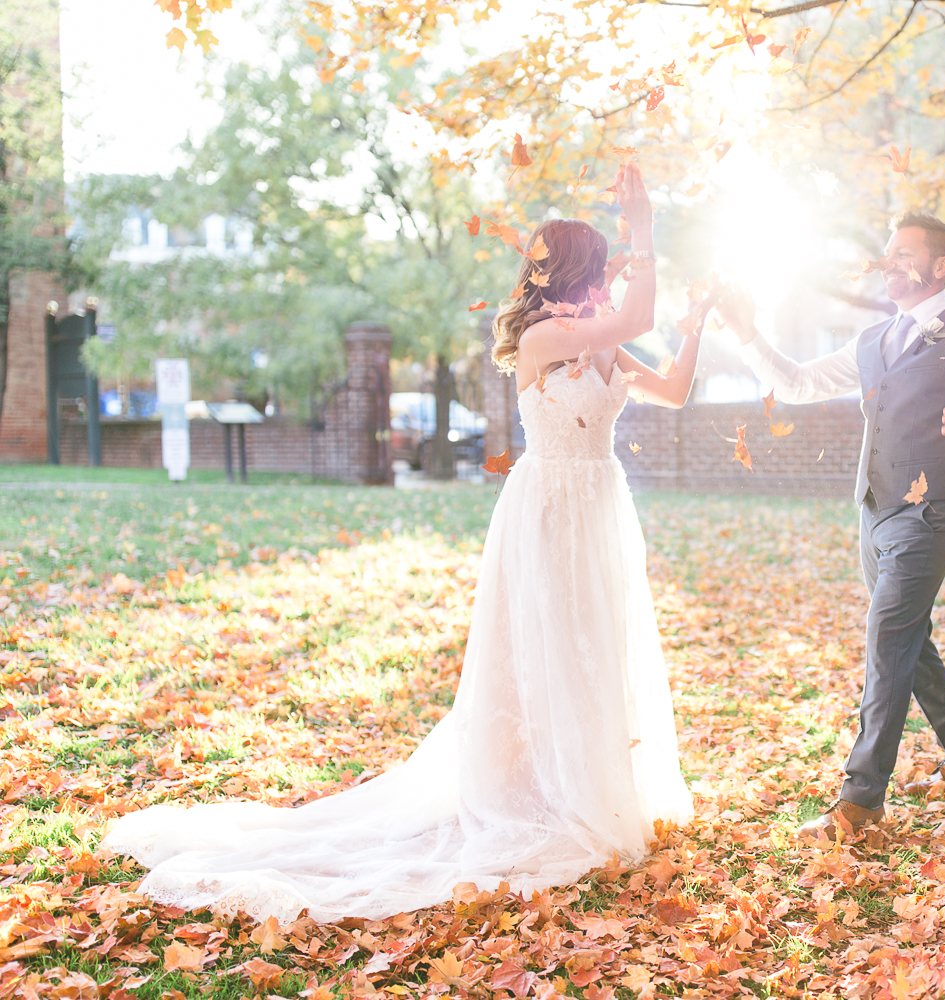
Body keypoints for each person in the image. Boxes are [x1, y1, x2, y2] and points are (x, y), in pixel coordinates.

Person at [103, 163, 706, 922]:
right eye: (600, 266)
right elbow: (631, 317)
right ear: (582, 275)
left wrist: (701, 320)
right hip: (550, 504)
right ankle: (539, 790)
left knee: (595, 644)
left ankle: (593, 782)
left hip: (600, 505)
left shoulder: (600, 344)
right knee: (547, 647)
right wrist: (643, 227)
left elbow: (675, 389)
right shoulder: (548, 337)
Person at [717, 210, 945, 843]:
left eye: (904, 254)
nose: (890, 263)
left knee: (887, 641)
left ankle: (861, 802)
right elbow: (799, 383)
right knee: (906, 638)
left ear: (940, 265)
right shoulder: (870, 341)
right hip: (874, 511)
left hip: (931, 513)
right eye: (886, 254)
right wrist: (749, 335)